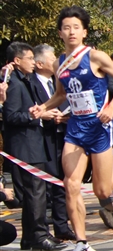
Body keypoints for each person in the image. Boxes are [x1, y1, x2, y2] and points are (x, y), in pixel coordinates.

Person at [30, 6, 113, 251]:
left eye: (76, 27)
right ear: (60, 33)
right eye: (66, 27)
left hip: (100, 128)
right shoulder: (58, 63)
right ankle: (82, 244)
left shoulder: (95, 56)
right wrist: (43, 107)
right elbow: (60, 95)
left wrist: (111, 106)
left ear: (84, 32)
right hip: (75, 129)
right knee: (70, 184)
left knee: (102, 191)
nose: (71, 32)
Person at [2, 42, 66, 251]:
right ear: (17, 60)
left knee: (35, 192)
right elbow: (11, 116)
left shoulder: (25, 80)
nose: (33, 62)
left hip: (33, 143)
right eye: (29, 58)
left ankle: (31, 237)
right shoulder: (14, 83)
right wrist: (36, 116)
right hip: (25, 146)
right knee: (36, 192)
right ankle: (38, 235)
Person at [31, 44, 72, 239]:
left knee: (61, 184)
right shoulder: (31, 83)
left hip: (61, 136)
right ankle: (40, 231)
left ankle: (62, 227)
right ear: (39, 64)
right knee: (42, 187)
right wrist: (45, 116)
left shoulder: (59, 82)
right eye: (52, 57)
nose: (56, 61)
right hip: (42, 139)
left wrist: (65, 116)